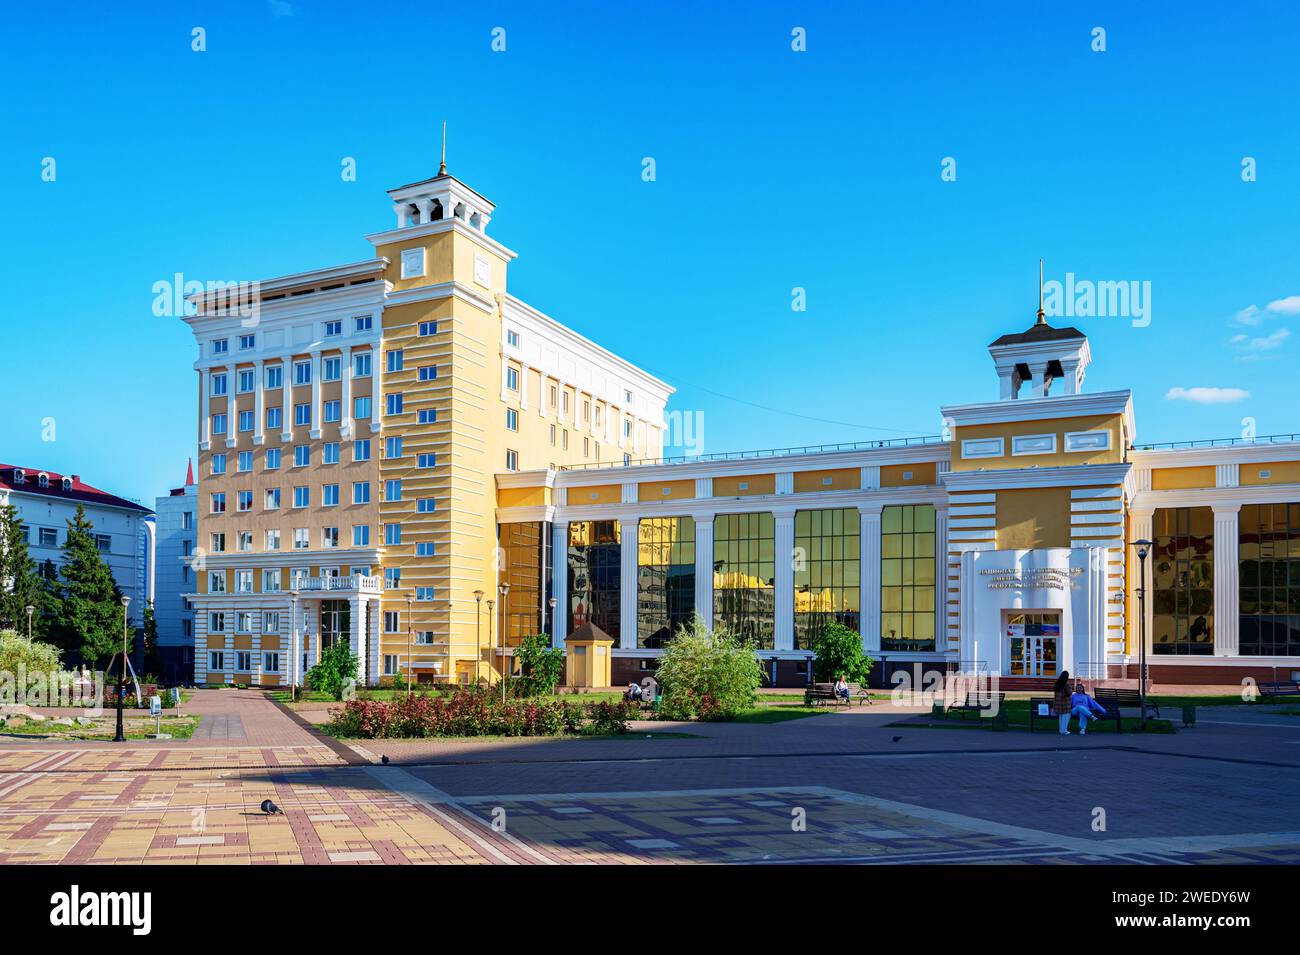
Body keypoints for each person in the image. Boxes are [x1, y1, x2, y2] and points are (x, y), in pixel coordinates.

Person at [1053, 670, 1073, 735]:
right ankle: (1064, 730)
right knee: (1066, 716)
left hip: (1058, 703)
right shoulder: (1066, 684)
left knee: (1061, 717)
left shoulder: (1057, 683)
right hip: (1065, 703)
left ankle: (1061, 730)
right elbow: (1069, 693)